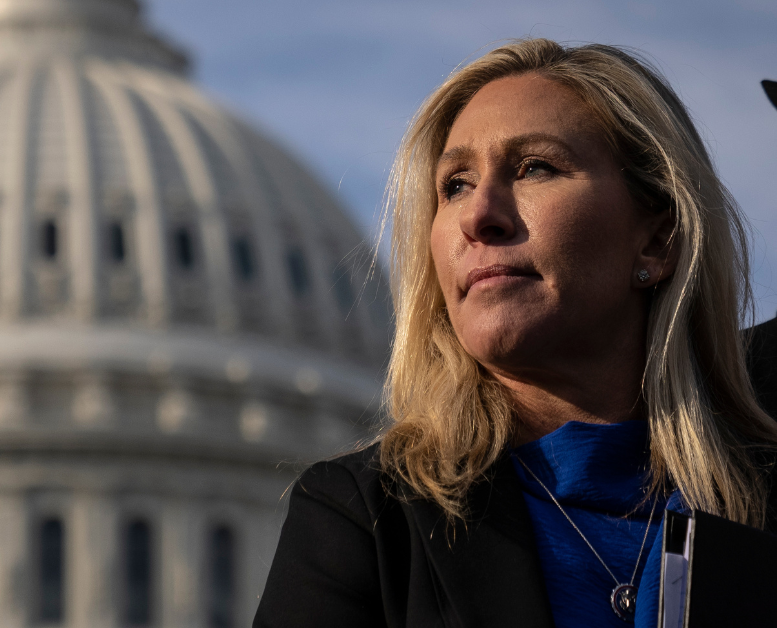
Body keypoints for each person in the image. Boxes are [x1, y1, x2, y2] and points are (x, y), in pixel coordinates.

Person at [253, 38, 777, 628]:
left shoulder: (760, 491)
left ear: (658, 239)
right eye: (454, 184)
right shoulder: (366, 521)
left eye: (535, 168)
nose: (479, 216)